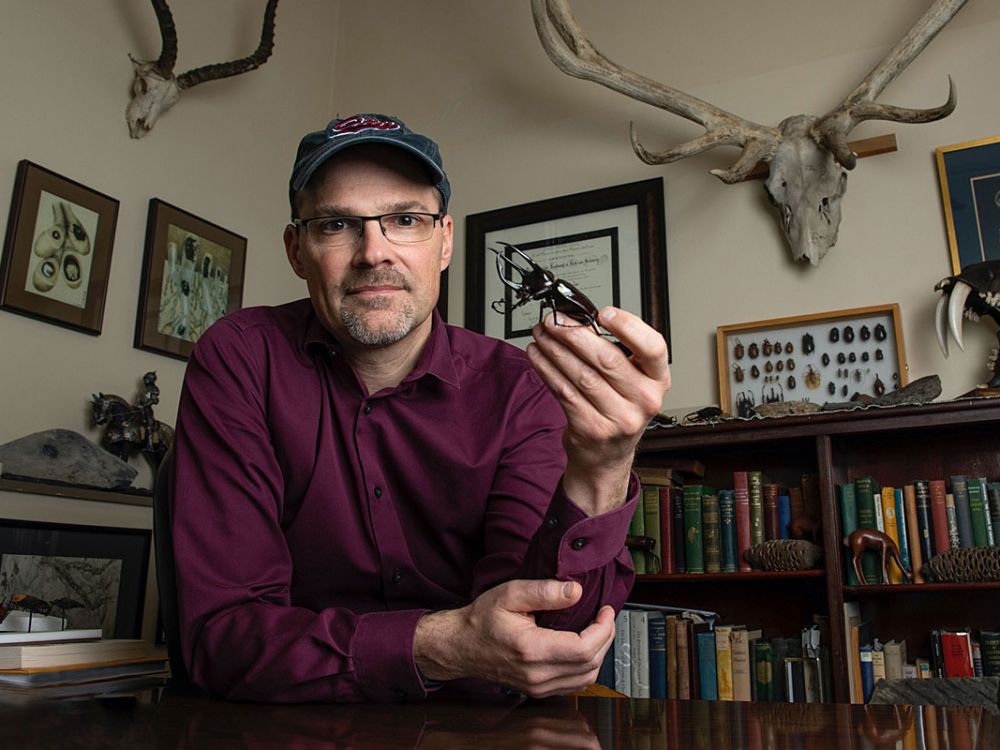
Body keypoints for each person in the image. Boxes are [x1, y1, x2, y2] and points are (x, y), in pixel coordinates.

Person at [170, 113, 671, 703]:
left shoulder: (518, 388)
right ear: (297, 250)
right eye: (336, 224)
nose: (373, 253)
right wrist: (438, 644)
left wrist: (603, 468)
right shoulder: (241, 360)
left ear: (446, 242)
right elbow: (220, 638)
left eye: (405, 220)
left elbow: (545, 641)